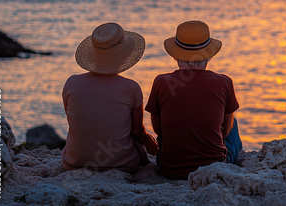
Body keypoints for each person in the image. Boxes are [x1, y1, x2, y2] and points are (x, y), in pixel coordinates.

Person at [145, 20, 242, 179]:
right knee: (233, 122)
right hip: (212, 168)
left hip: (170, 168)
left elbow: (158, 130)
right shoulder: (224, 82)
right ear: (209, 55)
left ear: (176, 55)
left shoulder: (161, 82)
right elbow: (225, 130)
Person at [61, 22, 158, 173]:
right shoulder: (131, 87)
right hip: (121, 165)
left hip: (75, 163)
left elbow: (74, 119)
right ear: (125, 55)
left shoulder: (72, 83)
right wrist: (150, 144)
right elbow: (137, 131)